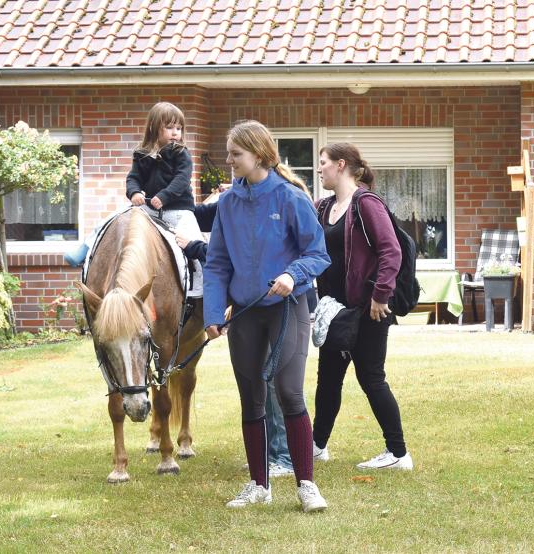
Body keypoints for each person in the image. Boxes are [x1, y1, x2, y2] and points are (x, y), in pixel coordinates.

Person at [202, 120, 330, 511]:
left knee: (289, 391)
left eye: (235, 154)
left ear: (258, 155)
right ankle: (259, 484)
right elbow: (217, 264)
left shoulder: (290, 198)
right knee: (251, 398)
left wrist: (293, 274)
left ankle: (306, 484)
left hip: (288, 308)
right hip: (245, 313)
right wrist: (213, 313)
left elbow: (318, 254)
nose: (229, 161)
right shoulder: (227, 203)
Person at [311, 143, 413, 471]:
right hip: (335, 310)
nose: (319, 169)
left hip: (369, 309)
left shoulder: (365, 203)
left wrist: (380, 296)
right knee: (328, 378)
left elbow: (391, 250)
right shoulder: (324, 206)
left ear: (341, 165)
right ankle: (317, 445)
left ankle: (398, 453)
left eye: (323, 163)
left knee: (371, 378)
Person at [176, 200, 294, 479]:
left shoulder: (273, 203)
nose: (230, 163)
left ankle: (284, 456)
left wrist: (193, 246)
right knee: (259, 382)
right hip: (248, 305)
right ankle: (269, 453)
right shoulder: (238, 202)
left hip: (270, 304)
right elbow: (206, 219)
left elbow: (239, 256)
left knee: (274, 380)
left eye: (236, 156)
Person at [64, 101, 205, 293]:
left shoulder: (181, 153)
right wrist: (135, 193)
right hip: (148, 209)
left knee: (193, 240)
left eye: (179, 128)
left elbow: (182, 179)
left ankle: (202, 286)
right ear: (154, 128)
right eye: (170, 127)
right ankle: (86, 247)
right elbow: (133, 178)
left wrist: (164, 196)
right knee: (113, 218)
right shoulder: (141, 154)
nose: (175, 133)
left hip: (178, 210)